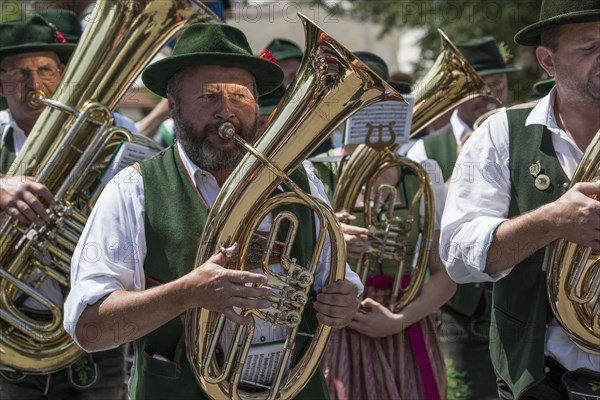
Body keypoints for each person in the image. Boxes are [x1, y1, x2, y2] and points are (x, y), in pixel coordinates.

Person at [63, 22, 362, 399]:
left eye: (239, 95)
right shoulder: (133, 189)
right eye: (207, 97)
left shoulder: (303, 183)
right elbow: (89, 327)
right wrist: (186, 293)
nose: (226, 112)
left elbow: (339, 282)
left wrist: (343, 301)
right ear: (173, 107)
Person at [440, 1, 600, 398]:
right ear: (548, 60)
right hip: (544, 379)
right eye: (589, 47)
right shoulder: (500, 134)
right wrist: (551, 221)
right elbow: (459, 257)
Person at [0, 16, 126, 400]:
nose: (35, 85)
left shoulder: (107, 136)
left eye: (45, 70)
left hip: (91, 330)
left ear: (62, 74)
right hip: (8, 327)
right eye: (20, 73)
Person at [318, 51, 455, 400]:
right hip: (336, 330)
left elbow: (445, 276)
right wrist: (331, 246)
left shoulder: (422, 176)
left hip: (406, 324)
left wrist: (399, 320)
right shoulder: (313, 175)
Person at [405, 35, 522, 400]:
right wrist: (461, 179)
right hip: (460, 311)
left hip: (518, 299)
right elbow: (427, 229)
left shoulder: (521, 136)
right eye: (482, 86)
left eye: (499, 84)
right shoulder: (427, 147)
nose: (492, 94)